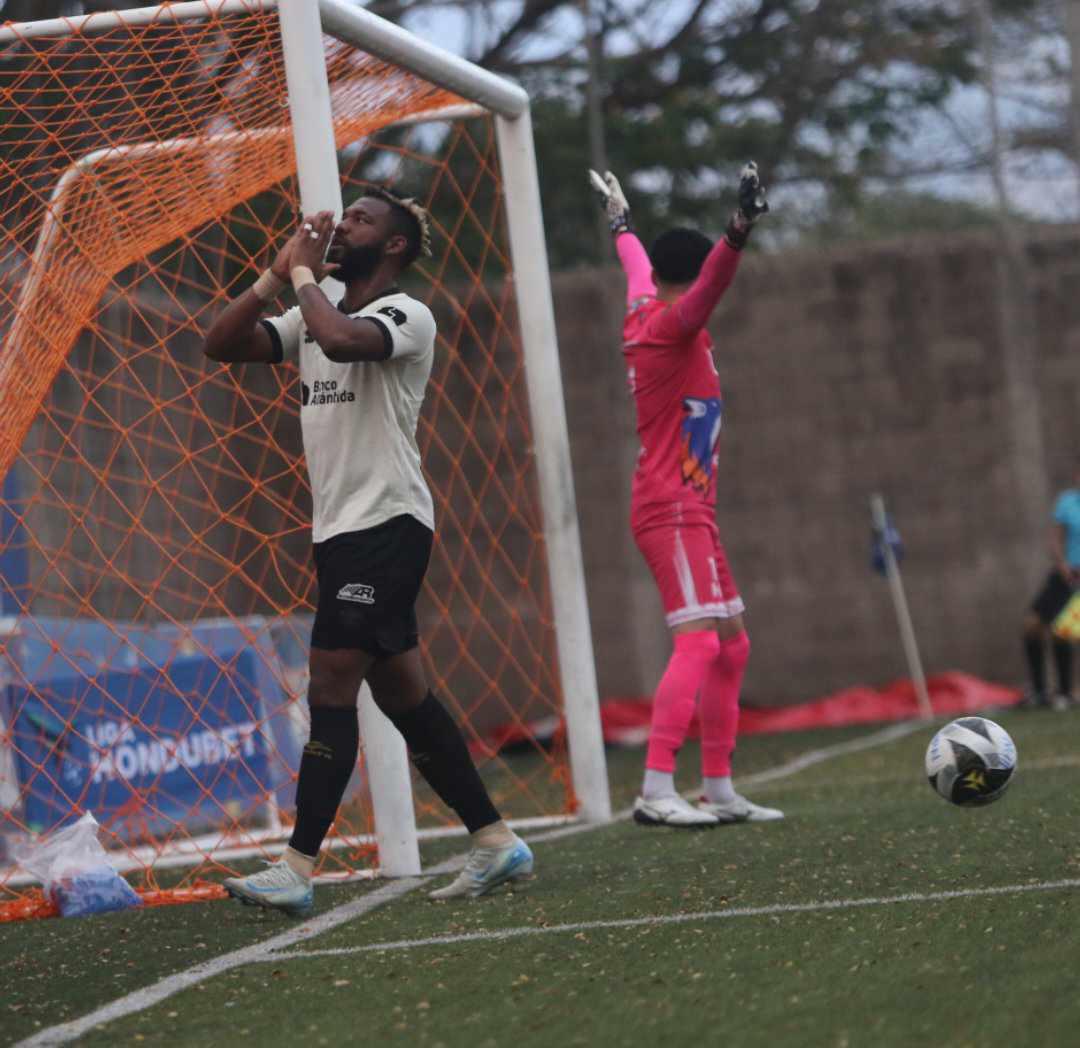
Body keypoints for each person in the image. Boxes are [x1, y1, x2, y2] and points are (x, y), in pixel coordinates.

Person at [203, 187, 533, 914]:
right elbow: (220, 345)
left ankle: (295, 866)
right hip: (340, 533)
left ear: (391, 247)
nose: (341, 224)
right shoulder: (307, 310)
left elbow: (347, 340)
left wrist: (301, 277)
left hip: (386, 526)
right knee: (404, 695)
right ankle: (494, 839)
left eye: (360, 219)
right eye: (343, 214)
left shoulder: (403, 313)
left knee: (329, 680)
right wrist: (274, 275)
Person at [589, 164, 783, 828]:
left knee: (732, 645)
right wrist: (740, 229)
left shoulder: (647, 305)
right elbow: (714, 284)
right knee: (699, 644)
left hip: (691, 509)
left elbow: (634, 265)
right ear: (693, 278)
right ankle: (655, 788)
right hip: (671, 507)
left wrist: (621, 223)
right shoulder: (673, 325)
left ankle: (720, 787)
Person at [1021, 470, 1080, 711]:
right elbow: (1055, 538)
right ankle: (1039, 691)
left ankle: (1065, 693)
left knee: (1063, 631)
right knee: (1032, 625)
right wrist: (1061, 563)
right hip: (1064, 576)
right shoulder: (1067, 501)